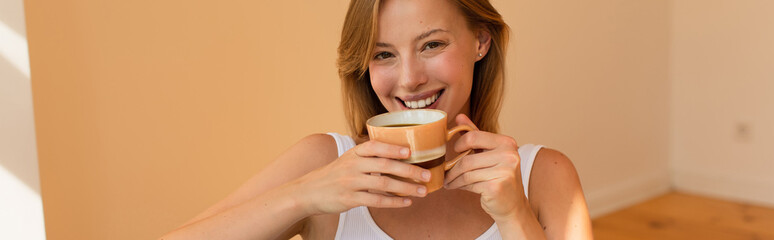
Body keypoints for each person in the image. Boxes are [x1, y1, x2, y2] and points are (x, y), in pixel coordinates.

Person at [161, 0, 592, 239]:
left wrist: (515, 216)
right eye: (383, 54)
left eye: (432, 44)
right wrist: (304, 195)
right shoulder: (325, 162)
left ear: (481, 40)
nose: (410, 79)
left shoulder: (544, 175)